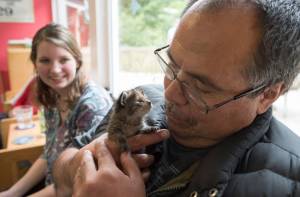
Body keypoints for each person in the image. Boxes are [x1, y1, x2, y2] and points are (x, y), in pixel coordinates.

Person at [53, 0, 300, 196]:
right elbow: (61, 169)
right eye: (172, 65)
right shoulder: (141, 100)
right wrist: (79, 163)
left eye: (201, 87)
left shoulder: (288, 185)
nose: (169, 93)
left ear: (267, 95)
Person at [0, 23, 112, 197]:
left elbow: (77, 179)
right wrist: (13, 192)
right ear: (35, 63)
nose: (55, 69)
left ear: (77, 61)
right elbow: (48, 154)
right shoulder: (53, 96)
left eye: (63, 59)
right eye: (45, 60)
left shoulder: (91, 105)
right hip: (51, 185)